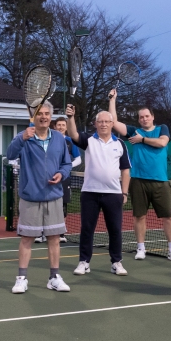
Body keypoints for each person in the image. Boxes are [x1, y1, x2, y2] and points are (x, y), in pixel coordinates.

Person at [109, 89, 171, 262]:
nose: (144, 119)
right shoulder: (133, 131)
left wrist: (142, 140)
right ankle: (141, 248)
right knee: (139, 216)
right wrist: (113, 100)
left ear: (152, 117)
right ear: (138, 119)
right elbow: (113, 123)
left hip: (160, 181)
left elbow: (162, 143)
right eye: (141, 117)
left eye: (146, 116)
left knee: (168, 216)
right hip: (138, 181)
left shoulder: (162, 129)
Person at [6, 101, 72, 293]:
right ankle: (22, 278)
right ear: (34, 117)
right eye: (40, 114)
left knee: (54, 238)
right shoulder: (23, 136)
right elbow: (10, 154)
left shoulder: (60, 139)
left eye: (46, 114)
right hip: (30, 197)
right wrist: (21, 140)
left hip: (54, 196)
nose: (43, 117)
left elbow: (66, 164)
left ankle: (54, 277)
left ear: (51, 117)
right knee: (27, 238)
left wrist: (62, 174)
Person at [65, 104, 131, 277]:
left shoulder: (120, 144)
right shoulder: (89, 140)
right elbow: (73, 135)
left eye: (107, 122)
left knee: (115, 229)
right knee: (87, 228)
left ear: (111, 124)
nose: (103, 124)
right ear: (95, 124)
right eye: (100, 121)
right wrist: (70, 118)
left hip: (114, 194)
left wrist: (124, 192)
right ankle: (84, 262)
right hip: (90, 193)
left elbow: (125, 170)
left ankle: (116, 262)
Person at [33, 117, 81, 244]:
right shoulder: (50, 139)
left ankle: (61, 233)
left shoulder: (70, 141)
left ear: (66, 127)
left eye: (63, 125)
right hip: (45, 178)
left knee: (62, 205)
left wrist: (65, 168)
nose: (60, 127)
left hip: (64, 179)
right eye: (58, 125)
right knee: (43, 204)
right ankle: (41, 233)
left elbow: (78, 159)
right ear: (55, 126)